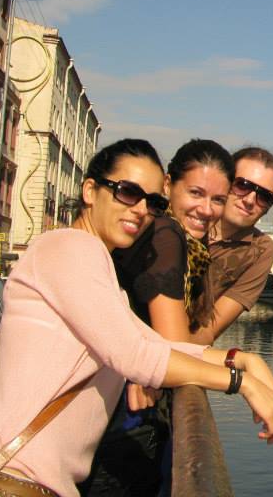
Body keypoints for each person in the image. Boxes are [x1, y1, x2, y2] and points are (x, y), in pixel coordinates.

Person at [0, 139, 273, 497]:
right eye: (126, 192)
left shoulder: (102, 270)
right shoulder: (69, 248)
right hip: (16, 479)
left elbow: (153, 344)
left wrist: (241, 358)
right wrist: (238, 382)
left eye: (151, 202)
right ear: (90, 190)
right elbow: (136, 355)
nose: (140, 210)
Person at [83, 139, 234, 495]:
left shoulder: (163, 237)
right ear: (169, 186)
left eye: (218, 200)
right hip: (120, 426)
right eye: (195, 193)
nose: (206, 209)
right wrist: (239, 377)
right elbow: (173, 344)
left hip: (101, 416)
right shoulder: (166, 234)